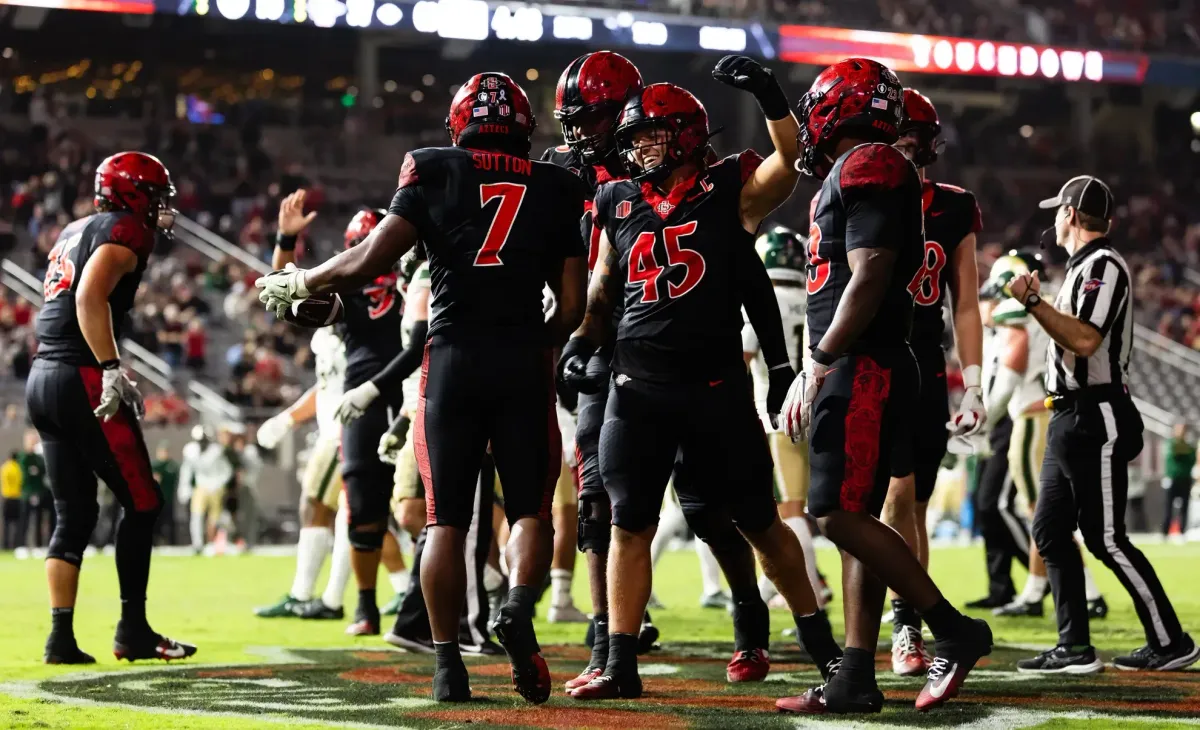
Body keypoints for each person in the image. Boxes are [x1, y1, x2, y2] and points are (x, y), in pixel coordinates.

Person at [255, 71, 589, 704]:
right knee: (528, 511)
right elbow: (571, 308)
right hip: (522, 358)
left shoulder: (433, 168)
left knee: (444, 522)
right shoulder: (556, 185)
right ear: (524, 125)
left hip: (453, 359)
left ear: (458, 123)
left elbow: (372, 258)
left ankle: (446, 666)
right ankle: (517, 607)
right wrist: (534, 340)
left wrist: (305, 280)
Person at [560, 56, 841, 702]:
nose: (636, 148)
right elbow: (603, 289)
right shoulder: (617, 198)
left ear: (686, 134)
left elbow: (789, 161)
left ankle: (818, 643)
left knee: (757, 521)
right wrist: (580, 343)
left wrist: (772, 97)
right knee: (630, 523)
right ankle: (621, 663)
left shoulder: (728, 189)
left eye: (649, 135)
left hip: (715, 389)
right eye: (631, 138)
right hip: (636, 387)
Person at [779, 58, 991, 713]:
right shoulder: (870, 165)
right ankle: (856, 675)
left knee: (833, 513)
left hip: (863, 361)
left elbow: (869, 274)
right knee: (856, 515)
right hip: (872, 359)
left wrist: (819, 358)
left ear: (838, 108)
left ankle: (954, 630)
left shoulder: (871, 162)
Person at [1006, 175, 1199, 672]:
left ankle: (1170, 640)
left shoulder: (1103, 265)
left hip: (1097, 413)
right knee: (1049, 529)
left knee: (1106, 538)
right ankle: (1074, 646)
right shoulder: (1081, 268)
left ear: (1070, 214)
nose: (1052, 219)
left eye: (1057, 211)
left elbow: (1087, 340)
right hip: (1068, 414)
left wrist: (1033, 302)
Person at [25, 151, 195, 664]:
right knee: (144, 503)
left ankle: (60, 639)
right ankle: (133, 631)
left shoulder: (76, 227)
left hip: (43, 376)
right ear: (132, 194)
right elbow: (88, 297)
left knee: (72, 514)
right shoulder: (126, 229)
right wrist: (109, 366)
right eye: (155, 195)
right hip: (79, 375)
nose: (161, 207)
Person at [541, 51, 662, 681]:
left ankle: (754, 621)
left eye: (589, 117)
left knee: (721, 504)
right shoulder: (561, 171)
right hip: (592, 342)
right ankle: (605, 634)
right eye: (573, 119)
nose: (578, 131)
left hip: (664, 345)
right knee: (595, 498)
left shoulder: (663, 166)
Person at [879, 88, 987, 676]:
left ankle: (908, 625)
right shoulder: (857, 192)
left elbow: (966, 303)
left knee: (910, 503)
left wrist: (972, 382)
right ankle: (888, 621)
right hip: (867, 356)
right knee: (865, 505)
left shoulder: (952, 206)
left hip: (920, 361)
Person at [272, 202, 405, 636]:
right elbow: (284, 296)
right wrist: (285, 242)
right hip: (364, 402)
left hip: (418, 396)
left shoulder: (421, 278)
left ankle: (464, 596)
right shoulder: (350, 291)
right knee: (364, 509)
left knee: (423, 509)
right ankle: (365, 605)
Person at [980, 253, 1107, 620]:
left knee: (1043, 514)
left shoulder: (1015, 313)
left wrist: (984, 421)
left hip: (1033, 416)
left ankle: (1077, 592)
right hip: (1044, 412)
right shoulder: (1045, 307)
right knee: (1045, 514)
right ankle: (1042, 591)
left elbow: (1012, 367)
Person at [741, 226, 826, 614]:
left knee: (788, 512)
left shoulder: (759, 299)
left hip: (776, 416)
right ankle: (781, 584)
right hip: (816, 412)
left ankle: (811, 594)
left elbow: (743, 358)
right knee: (809, 510)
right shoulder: (812, 298)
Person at [253, 323, 348, 619]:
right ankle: (336, 597)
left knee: (316, 504)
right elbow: (325, 387)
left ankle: (303, 594)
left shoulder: (354, 330)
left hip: (342, 432)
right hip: (341, 429)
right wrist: (287, 418)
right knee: (354, 515)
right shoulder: (326, 335)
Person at [1162, 422, 1196, 539]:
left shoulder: (1189, 446)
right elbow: (1176, 450)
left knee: (1184, 507)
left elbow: (1192, 457)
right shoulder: (1171, 444)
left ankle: (1182, 532)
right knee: (1168, 506)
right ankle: (1165, 533)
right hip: (1173, 479)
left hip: (1185, 479)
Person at [150, 443, 179, 545]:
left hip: (167, 499)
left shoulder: (172, 465)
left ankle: (172, 544)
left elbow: (173, 478)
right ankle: (154, 544)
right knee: (155, 524)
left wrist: (161, 477)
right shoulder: (154, 465)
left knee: (169, 523)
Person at [2, 451, 21, 549]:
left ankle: (5, 545)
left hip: (7, 497)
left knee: (6, 524)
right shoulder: (18, 468)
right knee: (17, 524)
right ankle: (15, 545)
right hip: (17, 498)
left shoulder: (5, 467)